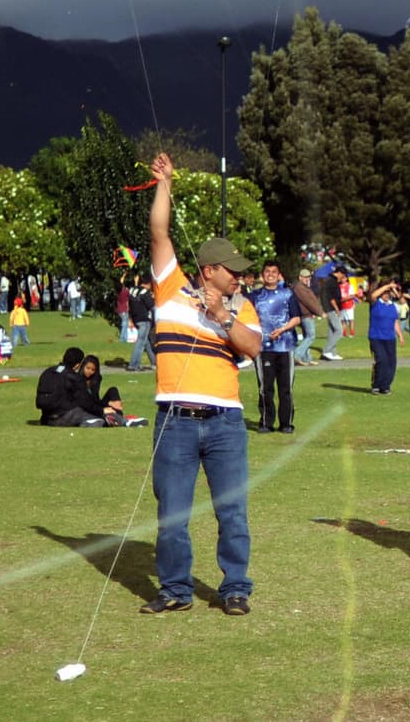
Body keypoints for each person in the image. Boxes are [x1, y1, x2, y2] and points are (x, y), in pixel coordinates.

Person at [142, 151, 262, 617]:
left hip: (225, 424)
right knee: (172, 517)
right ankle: (175, 589)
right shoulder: (169, 288)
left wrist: (221, 315)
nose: (241, 277)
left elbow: (252, 347)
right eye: (233, 270)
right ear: (209, 269)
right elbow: (159, 233)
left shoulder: (240, 307)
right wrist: (165, 185)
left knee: (232, 514)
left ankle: (236, 588)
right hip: (174, 423)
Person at [247, 261, 301, 433]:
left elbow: (296, 318)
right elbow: (246, 318)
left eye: (274, 272)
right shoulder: (254, 296)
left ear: (279, 275)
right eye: (267, 271)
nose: (270, 274)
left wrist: (283, 329)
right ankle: (266, 422)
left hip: (285, 346)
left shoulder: (288, 294)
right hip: (263, 349)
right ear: (262, 276)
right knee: (265, 388)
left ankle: (286, 423)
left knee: (286, 388)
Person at [367, 279, 405, 395]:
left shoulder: (392, 306)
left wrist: (400, 335)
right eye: (385, 293)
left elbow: (395, 322)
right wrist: (387, 286)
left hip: (390, 338)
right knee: (381, 360)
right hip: (376, 337)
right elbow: (372, 295)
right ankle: (376, 385)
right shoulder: (376, 303)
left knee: (391, 363)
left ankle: (385, 386)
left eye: (388, 293)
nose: (387, 295)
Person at [291, 268, 325, 365]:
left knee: (307, 335)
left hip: (307, 314)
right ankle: (297, 355)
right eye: (305, 277)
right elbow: (308, 302)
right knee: (311, 336)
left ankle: (306, 358)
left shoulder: (303, 286)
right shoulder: (299, 287)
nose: (307, 279)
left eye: (308, 277)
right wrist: (320, 312)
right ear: (300, 277)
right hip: (305, 315)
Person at [126, 274, 157, 372]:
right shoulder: (145, 292)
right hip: (144, 319)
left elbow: (129, 306)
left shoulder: (132, 291)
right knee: (140, 342)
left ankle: (154, 363)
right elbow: (152, 307)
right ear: (149, 283)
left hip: (136, 319)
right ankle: (133, 364)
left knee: (146, 341)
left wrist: (130, 319)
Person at [319, 267, 346, 361]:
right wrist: (337, 309)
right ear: (338, 273)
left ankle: (333, 353)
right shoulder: (332, 282)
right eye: (342, 275)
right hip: (331, 308)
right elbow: (332, 298)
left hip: (328, 308)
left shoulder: (329, 280)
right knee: (339, 331)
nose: (343, 277)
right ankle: (326, 351)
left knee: (332, 330)